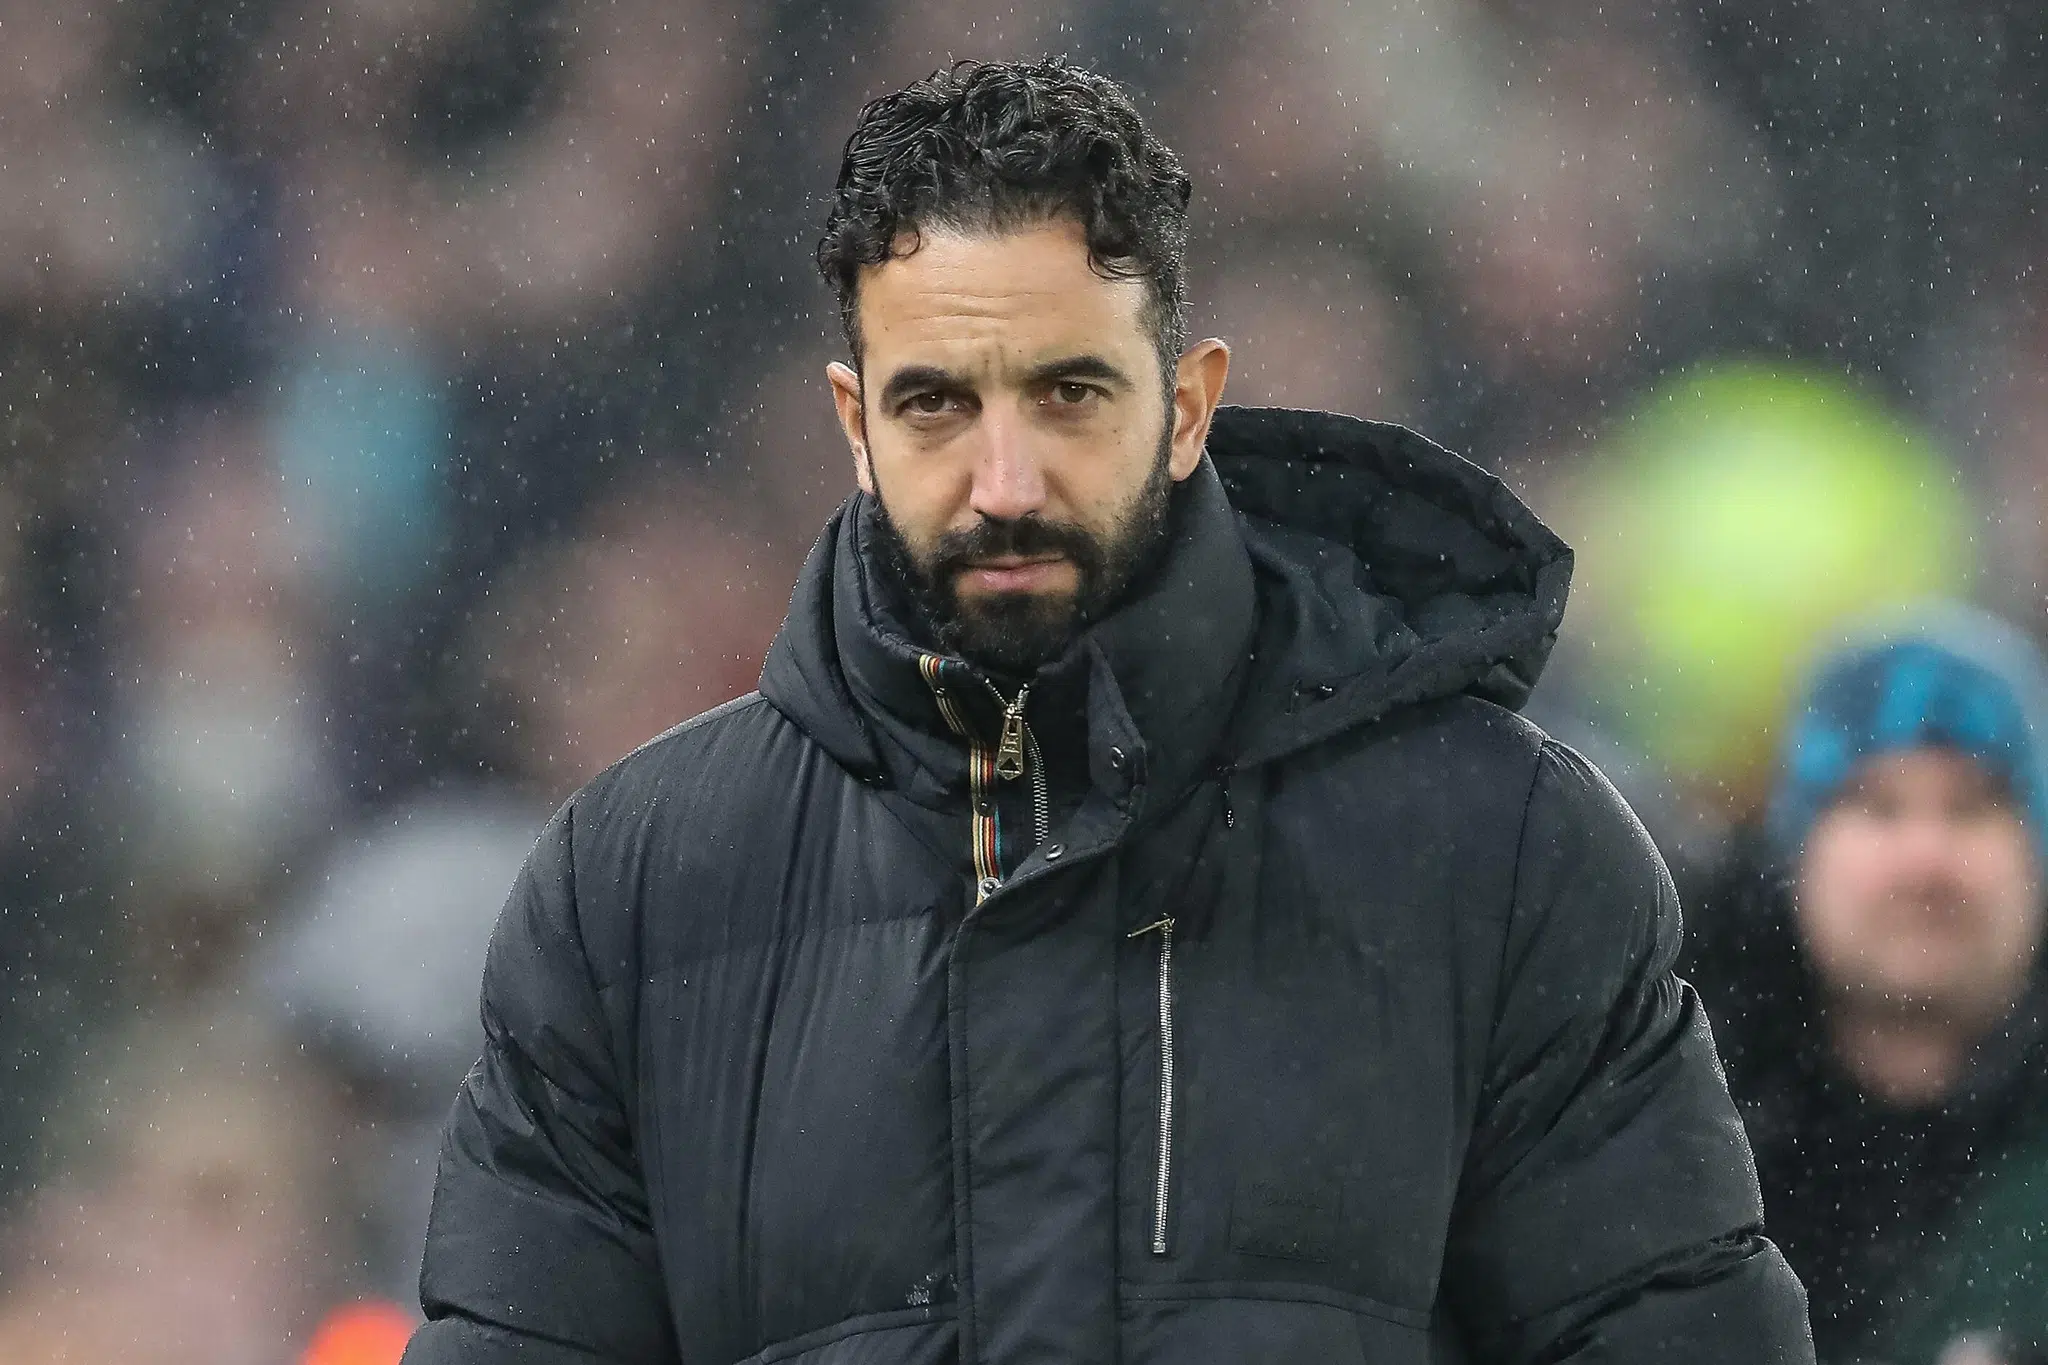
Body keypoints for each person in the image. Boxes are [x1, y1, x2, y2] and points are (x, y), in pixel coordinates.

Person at [402, 58, 1812, 1364]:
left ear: (1189, 404)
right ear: (853, 421)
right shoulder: (634, 890)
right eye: (936, 404)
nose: (1003, 478)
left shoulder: (1506, 855)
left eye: (1070, 392)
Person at [1684, 604, 2048, 1364]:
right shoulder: (1672, 1127)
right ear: (1799, 849)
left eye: (1973, 806)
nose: (1926, 857)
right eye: (1877, 804)